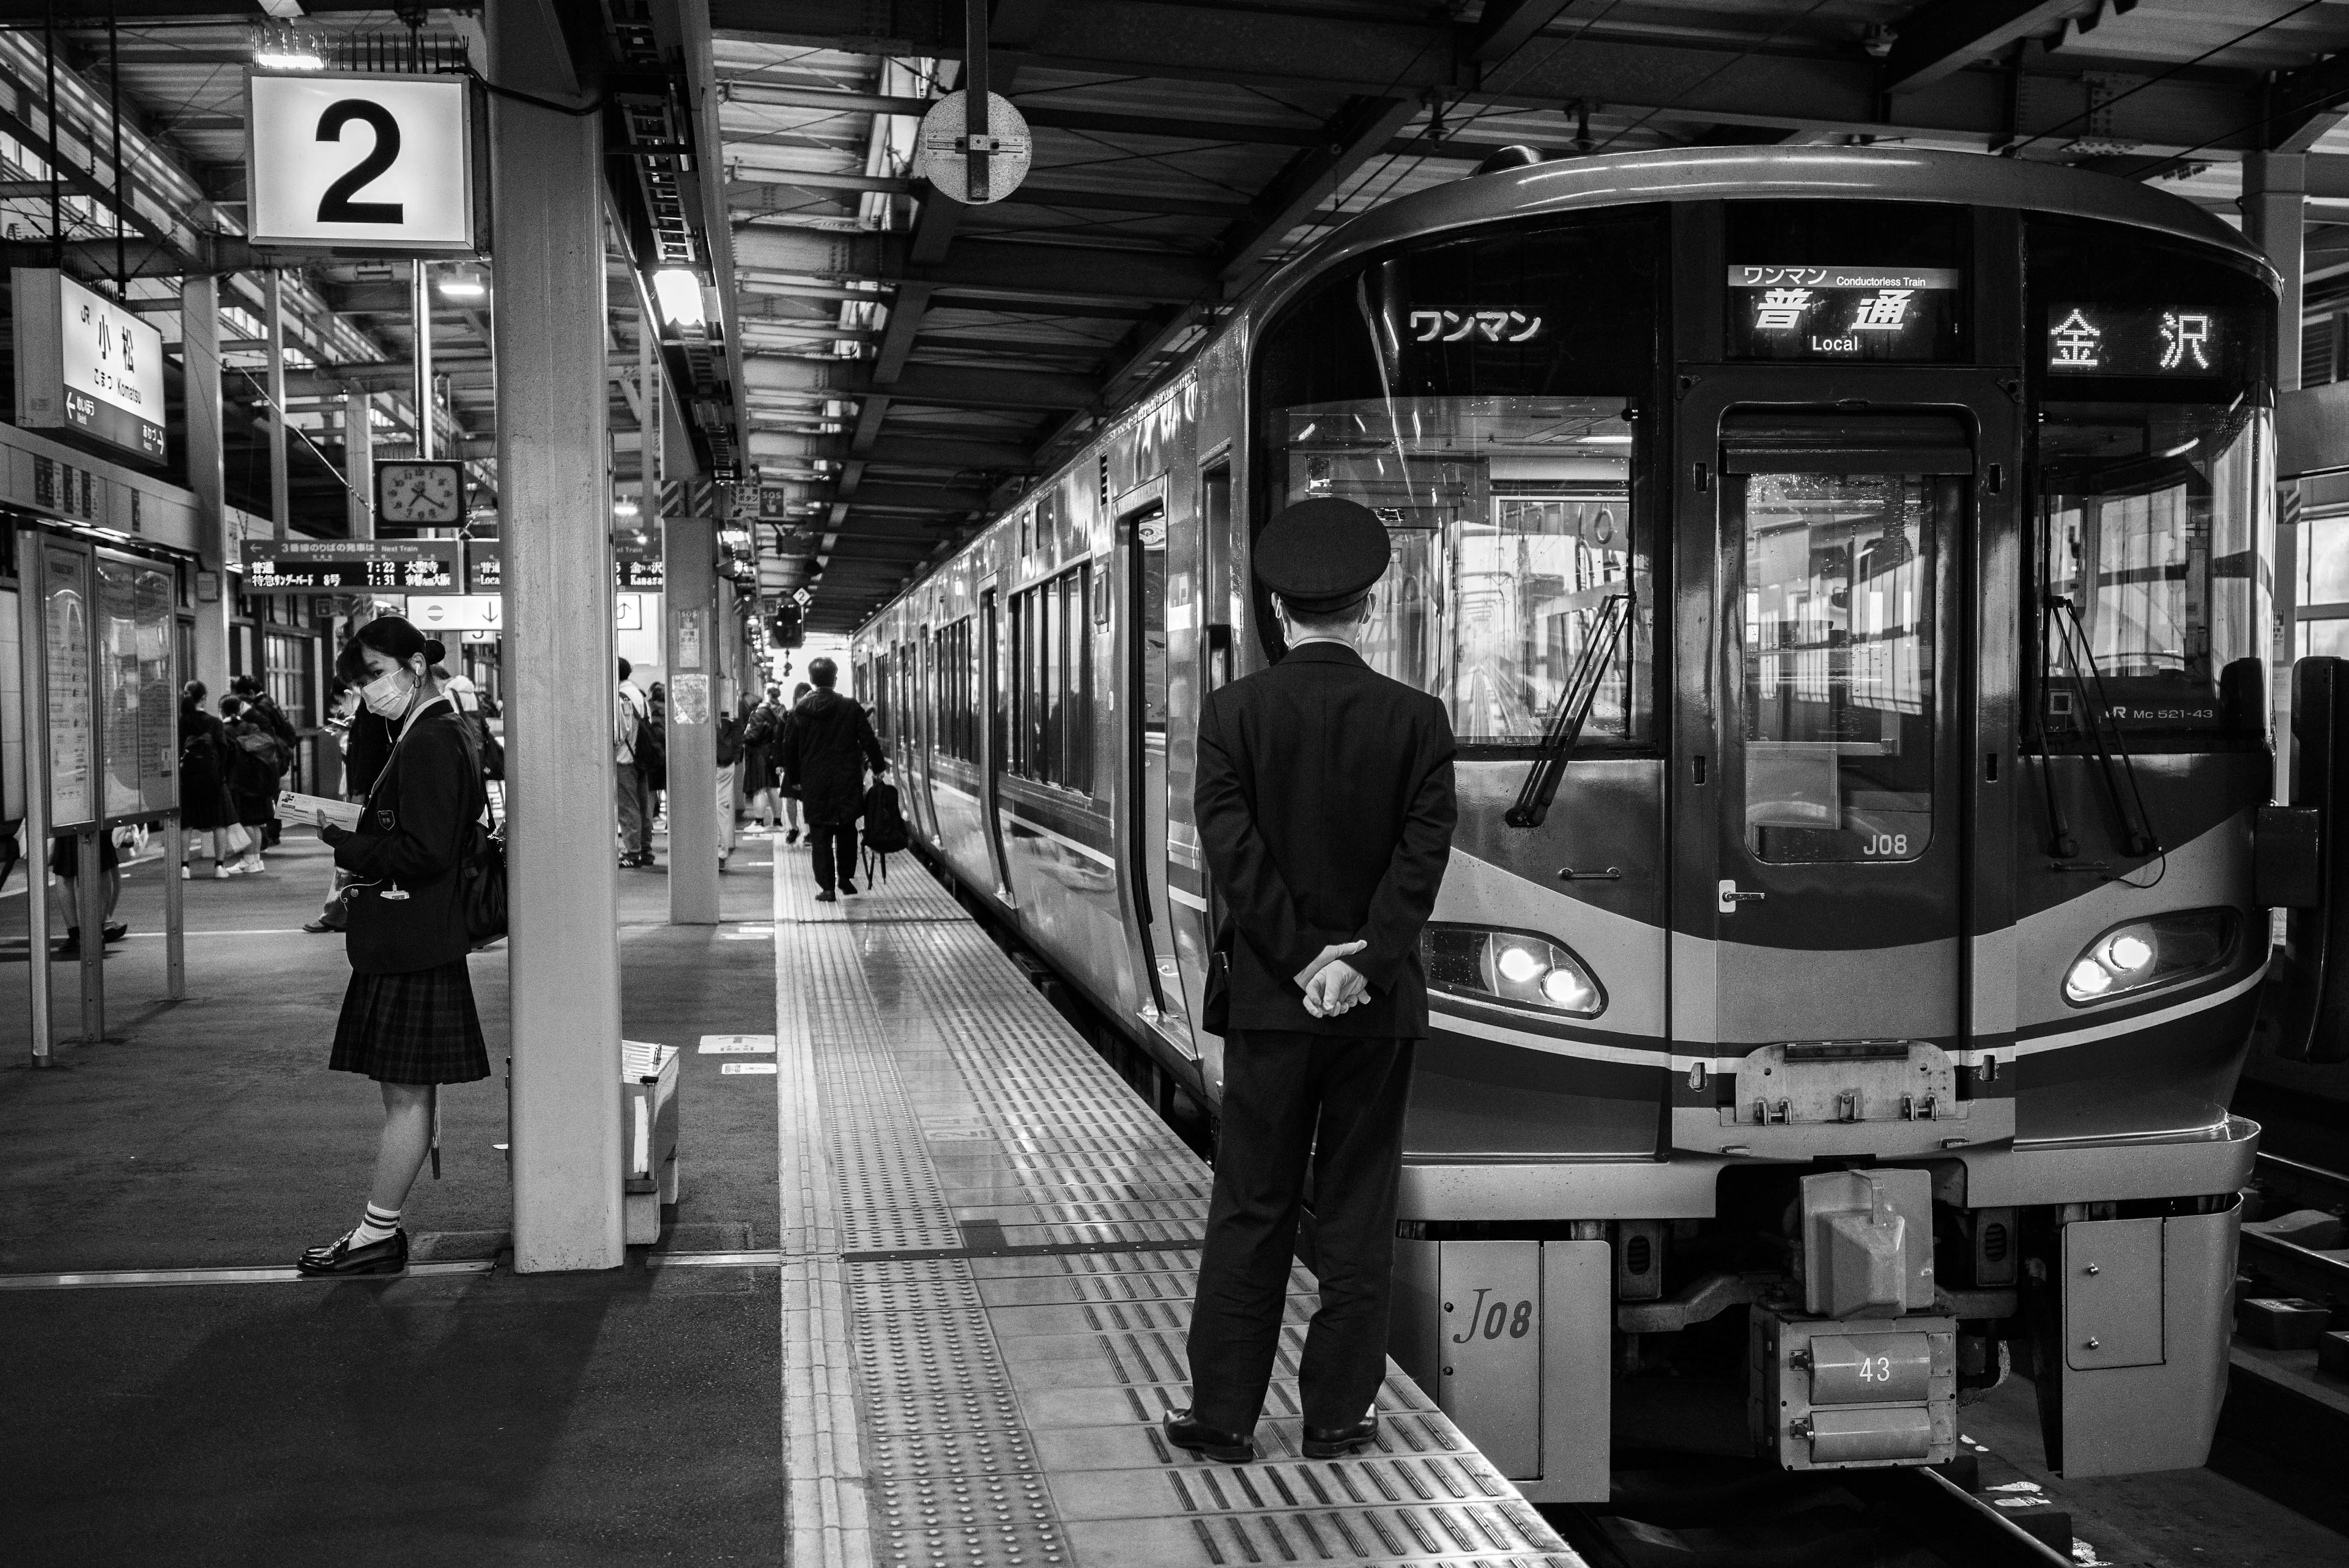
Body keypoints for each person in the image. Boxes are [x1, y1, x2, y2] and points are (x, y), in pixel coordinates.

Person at [1164, 497, 1457, 1466]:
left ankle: (1224, 1418)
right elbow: (1421, 863)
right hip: (1377, 1013)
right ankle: (1337, 1417)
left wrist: (1298, 964)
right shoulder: (1418, 721)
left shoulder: (1232, 714)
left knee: (1252, 1204)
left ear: (1278, 613)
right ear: (1367, 609)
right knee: (1359, 1206)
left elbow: (1234, 856)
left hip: (1270, 1006)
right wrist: (1361, 962)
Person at [296, 616, 491, 1276]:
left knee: (406, 1096)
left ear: (416, 662)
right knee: (405, 1094)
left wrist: (344, 842)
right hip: (418, 936)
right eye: (361, 681)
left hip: (415, 937)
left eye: (375, 674)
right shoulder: (426, 729)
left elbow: (427, 848)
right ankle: (379, 1228)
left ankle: (378, 1231)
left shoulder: (431, 737)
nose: (368, 691)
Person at [779, 656, 885, 902]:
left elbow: (789, 749)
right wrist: (878, 768)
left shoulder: (798, 712)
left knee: (820, 836)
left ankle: (827, 888)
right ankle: (845, 878)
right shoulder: (850, 707)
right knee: (847, 828)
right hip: (846, 780)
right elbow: (868, 740)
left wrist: (794, 779)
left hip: (814, 782)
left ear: (812, 680)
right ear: (835, 680)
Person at [177, 680, 239, 879]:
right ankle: (219, 867)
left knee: (186, 824)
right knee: (218, 824)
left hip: (187, 780)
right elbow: (224, 751)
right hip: (213, 780)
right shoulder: (214, 723)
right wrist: (220, 775)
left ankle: (184, 867)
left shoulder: (181, 722)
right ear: (204, 699)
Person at [231, 675, 297, 848]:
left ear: (250, 693)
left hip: (268, 755)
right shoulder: (270, 702)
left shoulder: (260, 708)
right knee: (272, 793)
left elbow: (263, 731)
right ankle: (272, 834)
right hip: (278, 754)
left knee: (268, 796)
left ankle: (270, 835)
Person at [218, 695, 279, 874]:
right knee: (257, 823)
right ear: (239, 710)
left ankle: (248, 861)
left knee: (246, 822)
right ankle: (256, 860)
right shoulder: (252, 727)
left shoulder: (225, 731)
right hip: (260, 781)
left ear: (222, 711)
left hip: (239, 783)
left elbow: (225, 759)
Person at [615, 657, 656, 868]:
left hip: (624, 758)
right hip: (642, 758)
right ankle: (646, 849)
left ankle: (632, 852)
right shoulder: (640, 694)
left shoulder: (620, 696)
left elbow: (621, 732)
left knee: (628, 806)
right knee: (643, 805)